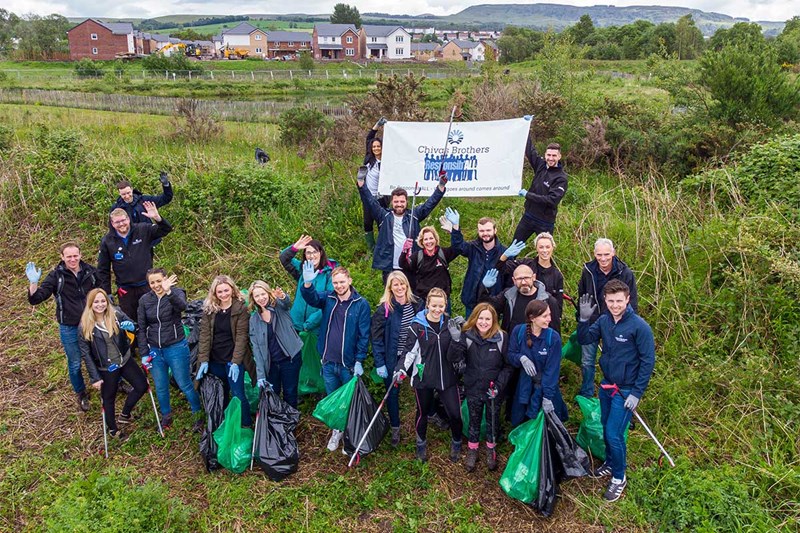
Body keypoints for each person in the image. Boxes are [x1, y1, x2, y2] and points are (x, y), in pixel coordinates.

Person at [577, 279, 655, 502]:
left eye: (619, 301)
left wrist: (636, 393)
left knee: (614, 433)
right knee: (605, 428)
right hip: (606, 386)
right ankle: (610, 464)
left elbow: (647, 361)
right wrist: (583, 319)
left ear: (628, 299)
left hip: (626, 390)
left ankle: (619, 477)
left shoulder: (639, 327)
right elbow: (584, 339)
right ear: (605, 300)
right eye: (610, 301)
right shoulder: (603, 321)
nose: (615, 305)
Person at [300, 264, 371, 452]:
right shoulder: (328, 298)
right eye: (335, 283)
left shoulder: (360, 304)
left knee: (349, 402)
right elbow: (312, 298)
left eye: (342, 282)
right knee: (333, 399)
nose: (339, 286)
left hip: (348, 365)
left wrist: (359, 360)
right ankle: (336, 431)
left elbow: (364, 335)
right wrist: (307, 284)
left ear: (349, 281)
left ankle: (351, 435)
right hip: (328, 362)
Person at [26, 242, 100, 412]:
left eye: (75, 255)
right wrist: (33, 284)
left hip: (92, 323)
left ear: (80, 255)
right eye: (69, 256)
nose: (73, 259)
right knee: (75, 362)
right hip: (69, 327)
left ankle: (113, 382)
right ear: (62, 257)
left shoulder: (90, 272)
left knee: (100, 355)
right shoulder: (56, 277)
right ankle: (81, 393)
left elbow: (102, 293)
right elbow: (36, 298)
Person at [394, 288, 463, 463]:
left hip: (447, 376)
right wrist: (400, 369)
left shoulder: (450, 324)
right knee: (422, 412)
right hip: (423, 376)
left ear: (445, 305)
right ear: (427, 305)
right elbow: (408, 352)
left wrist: (459, 335)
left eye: (441, 306)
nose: (437, 309)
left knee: (455, 413)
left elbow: (459, 350)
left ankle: (456, 441)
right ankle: (420, 443)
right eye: (434, 305)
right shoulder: (416, 326)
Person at [447, 303, 512, 472]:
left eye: (488, 319)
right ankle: (472, 449)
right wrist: (455, 340)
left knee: (492, 420)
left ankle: (491, 449)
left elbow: (508, 366)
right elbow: (454, 359)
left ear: (494, 320)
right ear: (475, 319)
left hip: (493, 389)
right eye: (480, 318)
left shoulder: (501, 338)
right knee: (474, 420)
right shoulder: (467, 336)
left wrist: (498, 386)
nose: (484, 322)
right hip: (473, 387)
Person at [136, 268, 202, 430]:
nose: (156, 285)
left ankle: (197, 413)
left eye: (159, 281)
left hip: (175, 347)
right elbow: (142, 327)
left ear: (165, 279)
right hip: (155, 350)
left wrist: (168, 292)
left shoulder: (176, 292)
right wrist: (144, 353)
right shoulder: (145, 300)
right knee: (160, 385)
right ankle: (166, 415)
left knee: (184, 383)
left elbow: (182, 307)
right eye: (152, 282)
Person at [79, 288, 148, 441]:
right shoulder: (85, 325)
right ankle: (113, 429)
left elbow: (133, 325)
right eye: (96, 302)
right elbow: (86, 354)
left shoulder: (115, 313)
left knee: (142, 385)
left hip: (124, 359)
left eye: (103, 301)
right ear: (90, 304)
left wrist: (131, 327)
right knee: (109, 398)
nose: (100, 304)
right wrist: (94, 377)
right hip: (106, 367)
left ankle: (125, 414)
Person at [357, 168, 447, 283]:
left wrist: (441, 187)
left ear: (406, 202)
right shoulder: (383, 215)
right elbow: (370, 201)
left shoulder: (414, 215)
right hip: (390, 268)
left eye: (402, 202)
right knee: (391, 298)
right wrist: (361, 182)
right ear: (391, 202)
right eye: (396, 202)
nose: (399, 204)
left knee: (412, 298)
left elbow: (430, 204)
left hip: (410, 266)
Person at [577, 238, 638, 398]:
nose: (603, 259)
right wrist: (582, 317)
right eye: (599, 255)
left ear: (613, 253)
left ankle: (615, 393)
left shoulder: (625, 273)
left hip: (615, 324)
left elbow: (632, 301)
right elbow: (581, 294)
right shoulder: (588, 271)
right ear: (594, 254)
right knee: (587, 361)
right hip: (592, 321)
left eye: (606, 254)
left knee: (615, 361)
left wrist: (628, 325)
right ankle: (587, 393)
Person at [195, 275, 256, 427]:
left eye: (226, 290)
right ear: (214, 293)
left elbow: (242, 337)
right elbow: (204, 336)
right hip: (215, 361)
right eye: (219, 292)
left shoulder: (240, 308)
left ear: (232, 289)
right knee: (221, 395)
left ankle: (246, 426)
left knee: (238, 395)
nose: (223, 294)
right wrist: (203, 360)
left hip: (232, 361)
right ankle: (227, 425)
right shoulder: (210, 309)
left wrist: (235, 362)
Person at [97, 202, 172, 322]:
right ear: (112, 223)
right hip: (125, 290)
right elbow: (103, 270)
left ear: (128, 218)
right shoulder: (107, 241)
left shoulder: (142, 229)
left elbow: (166, 229)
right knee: (130, 323)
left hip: (147, 286)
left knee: (152, 319)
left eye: (123, 220)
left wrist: (157, 218)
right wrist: (107, 292)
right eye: (117, 222)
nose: (121, 224)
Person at [371, 271, 419, 446]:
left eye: (402, 284)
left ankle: (429, 414)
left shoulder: (416, 304)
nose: (399, 288)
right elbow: (376, 338)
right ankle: (395, 427)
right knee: (392, 392)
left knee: (423, 386)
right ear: (390, 288)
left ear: (407, 285)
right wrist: (380, 362)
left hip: (413, 356)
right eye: (395, 285)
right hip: (393, 356)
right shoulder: (385, 309)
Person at [507, 300, 568, 427]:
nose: (549, 319)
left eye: (550, 315)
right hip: (524, 385)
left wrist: (547, 397)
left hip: (546, 386)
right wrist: (521, 358)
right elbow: (511, 354)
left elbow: (552, 370)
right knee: (521, 421)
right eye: (545, 316)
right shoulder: (518, 331)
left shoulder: (553, 337)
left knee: (550, 424)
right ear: (532, 318)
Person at [248, 281, 304, 409]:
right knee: (274, 395)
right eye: (257, 296)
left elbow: (286, 304)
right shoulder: (254, 320)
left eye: (263, 294)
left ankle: (291, 421)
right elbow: (256, 348)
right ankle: (279, 423)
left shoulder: (278, 307)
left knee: (290, 392)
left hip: (290, 359)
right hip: (272, 364)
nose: (261, 298)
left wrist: (282, 297)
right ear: (253, 299)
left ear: (268, 293)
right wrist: (261, 375)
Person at [494, 232, 564, 334]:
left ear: (553, 247)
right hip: (517, 316)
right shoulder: (525, 264)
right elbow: (501, 268)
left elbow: (558, 304)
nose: (544, 250)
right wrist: (505, 256)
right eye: (541, 247)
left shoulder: (557, 275)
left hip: (539, 323)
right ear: (536, 248)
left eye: (547, 247)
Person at [512, 119, 568, 243]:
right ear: (545, 154)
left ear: (559, 156)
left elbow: (552, 200)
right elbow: (530, 151)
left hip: (545, 222)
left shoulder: (561, 178)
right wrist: (526, 127)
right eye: (548, 155)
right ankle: (508, 262)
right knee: (514, 246)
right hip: (528, 216)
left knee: (545, 251)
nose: (551, 158)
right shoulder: (541, 165)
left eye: (554, 156)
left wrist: (528, 195)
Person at [448, 210, 507, 318]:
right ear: (478, 232)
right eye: (482, 231)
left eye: (488, 230)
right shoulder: (473, 247)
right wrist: (455, 228)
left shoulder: (504, 252)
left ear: (495, 230)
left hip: (493, 300)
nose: (485, 233)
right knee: (470, 332)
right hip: (472, 299)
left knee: (491, 332)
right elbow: (458, 247)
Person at [398, 225, 459, 304]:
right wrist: (404, 251)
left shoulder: (443, 253)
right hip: (424, 300)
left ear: (435, 239)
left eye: (431, 238)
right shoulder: (417, 256)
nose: (429, 242)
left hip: (443, 299)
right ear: (422, 242)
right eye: (425, 239)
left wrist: (453, 233)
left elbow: (458, 248)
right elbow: (403, 265)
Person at [361, 117, 389, 251]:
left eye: (378, 146)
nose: (376, 148)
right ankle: (371, 248)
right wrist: (377, 125)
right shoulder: (368, 158)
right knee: (367, 223)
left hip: (381, 198)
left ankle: (383, 247)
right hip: (368, 197)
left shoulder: (387, 161)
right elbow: (369, 137)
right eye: (374, 147)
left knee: (382, 223)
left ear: (383, 148)